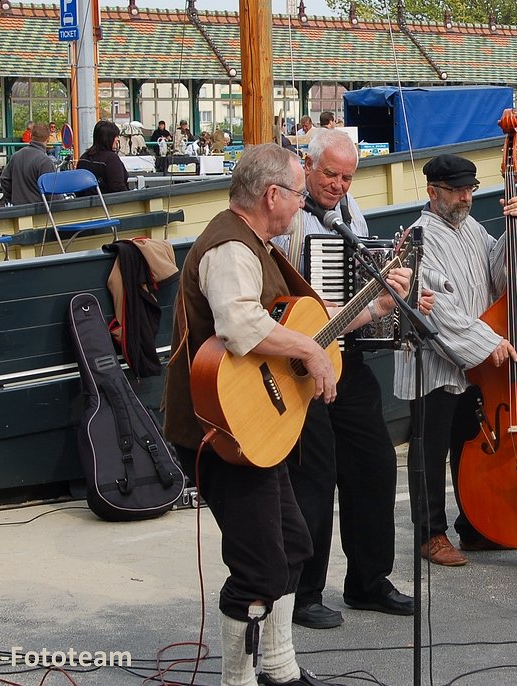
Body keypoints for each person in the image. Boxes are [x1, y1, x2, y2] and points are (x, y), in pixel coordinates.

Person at [161, 143, 408, 686]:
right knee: (258, 566)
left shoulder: (260, 245)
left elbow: (300, 329)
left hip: (254, 428)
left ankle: (278, 667)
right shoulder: (230, 247)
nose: (301, 204)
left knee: (293, 543)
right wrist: (310, 352)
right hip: (223, 428)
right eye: (297, 193)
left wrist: (370, 310)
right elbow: (239, 326)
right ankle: (238, 679)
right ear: (272, 194)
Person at [273, 128, 428, 629]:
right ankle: (303, 592)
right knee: (313, 481)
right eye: (330, 175)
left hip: (346, 355)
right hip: (299, 361)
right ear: (308, 166)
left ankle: (367, 580)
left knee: (375, 464)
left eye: (347, 177)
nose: (339, 185)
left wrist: (401, 298)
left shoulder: (350, 214)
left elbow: (362, 291)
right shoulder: (286, 219)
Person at [392, 154, 517, 567]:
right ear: (432, 191)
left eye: (469, 189)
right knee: (429, 450)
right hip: (435, 362)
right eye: (456, 191)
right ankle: (431, 534)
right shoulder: (421, 236)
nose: (465, 198)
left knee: (471, 448)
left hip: (472, 364)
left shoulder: (471, 227)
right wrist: (487, 342)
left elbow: (504, 273)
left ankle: (474, 526)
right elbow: (436, 310)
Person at [0, 121, 57, 205]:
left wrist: (12, 198)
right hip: (39, 211)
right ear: (48, 139)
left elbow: (4, 179)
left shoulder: (15, 156)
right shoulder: (45, 161)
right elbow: (52, 194)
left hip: (18, 209)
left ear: (31, 136)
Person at [77, 120, 129, 194]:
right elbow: (118, 187)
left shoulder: (84, 158)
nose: (117, 139)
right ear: (109, 138)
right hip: (108, 203)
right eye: (116, 136)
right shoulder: (111, 159)